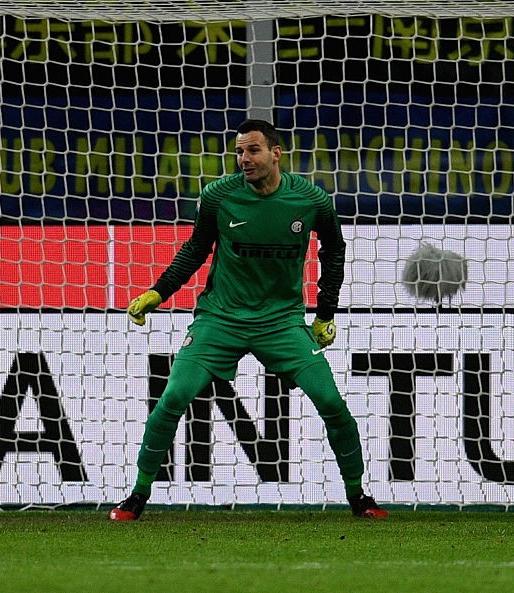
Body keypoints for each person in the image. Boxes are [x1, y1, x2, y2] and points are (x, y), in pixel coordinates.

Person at [110, 119, 388, 521]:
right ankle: (137, 494)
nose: (244, 159)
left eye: (253, 150)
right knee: (172, 399)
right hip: (220, 319)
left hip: (281, 323)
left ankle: (358, 495)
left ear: (276, 153)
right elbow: (195, 249)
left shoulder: (310, 200)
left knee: (330, 401)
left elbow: (334, 251)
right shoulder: (219, 196)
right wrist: (159, 292)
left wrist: (325, 312)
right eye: (239, 151)